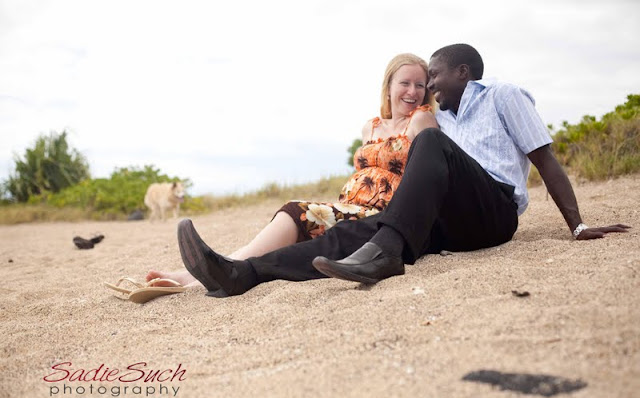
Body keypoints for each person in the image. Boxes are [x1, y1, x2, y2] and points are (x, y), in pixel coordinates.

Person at [176, 43, 630, 297]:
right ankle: (244, 274)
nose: (427, 86)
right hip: (449, 221)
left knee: (425, 149)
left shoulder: (501, 96)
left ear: (463, 72)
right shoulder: (442, 115)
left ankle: (386, 252)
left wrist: (577, 225)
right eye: (418, 81)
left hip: (493, 211)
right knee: (352, 237)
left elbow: (544, 159)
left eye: (433, 76)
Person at [146, 53, 439, 291]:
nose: (413, 92)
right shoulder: (370, 127)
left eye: (420, 85)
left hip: (381, 214)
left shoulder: (420, 121)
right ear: (388, 87)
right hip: (350, 206)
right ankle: (195, 274)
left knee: (295, 211)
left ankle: (209, 274)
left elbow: (426, 173)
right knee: (284, 229)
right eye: (405, 83)